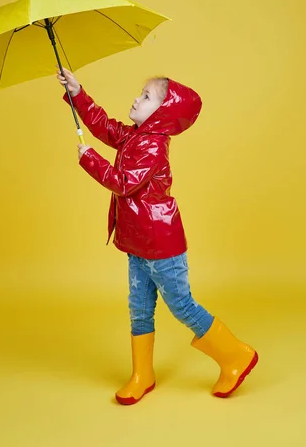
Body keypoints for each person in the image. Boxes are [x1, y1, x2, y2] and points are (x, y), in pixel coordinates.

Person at [57, 66, 258, 405]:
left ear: (162, 114)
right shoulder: (136, 136)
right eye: (141, 93)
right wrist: (77, 92)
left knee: (181, 305)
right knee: (139, 309)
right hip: (138, 246)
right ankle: (142, 374)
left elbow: (122, 182)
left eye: (146, 96)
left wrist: (89, 159)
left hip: (161, 245)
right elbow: (105, 128)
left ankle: (236, 356)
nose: (137, 98)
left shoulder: (152, 147)